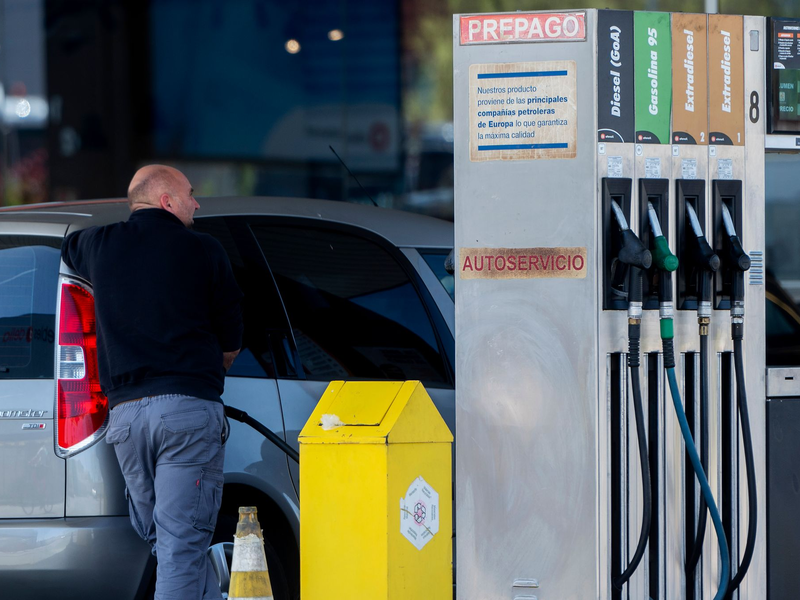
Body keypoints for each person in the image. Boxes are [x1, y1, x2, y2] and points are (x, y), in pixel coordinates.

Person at [61, 165, 243, 600]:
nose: (197, 203)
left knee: (172, 546)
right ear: (167, 201)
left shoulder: (99, 245)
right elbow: (231, 344)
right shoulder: (204, 250)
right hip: (185, 415)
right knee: (181, 547)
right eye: (191, 194)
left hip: (125, 421)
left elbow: (68, 246)